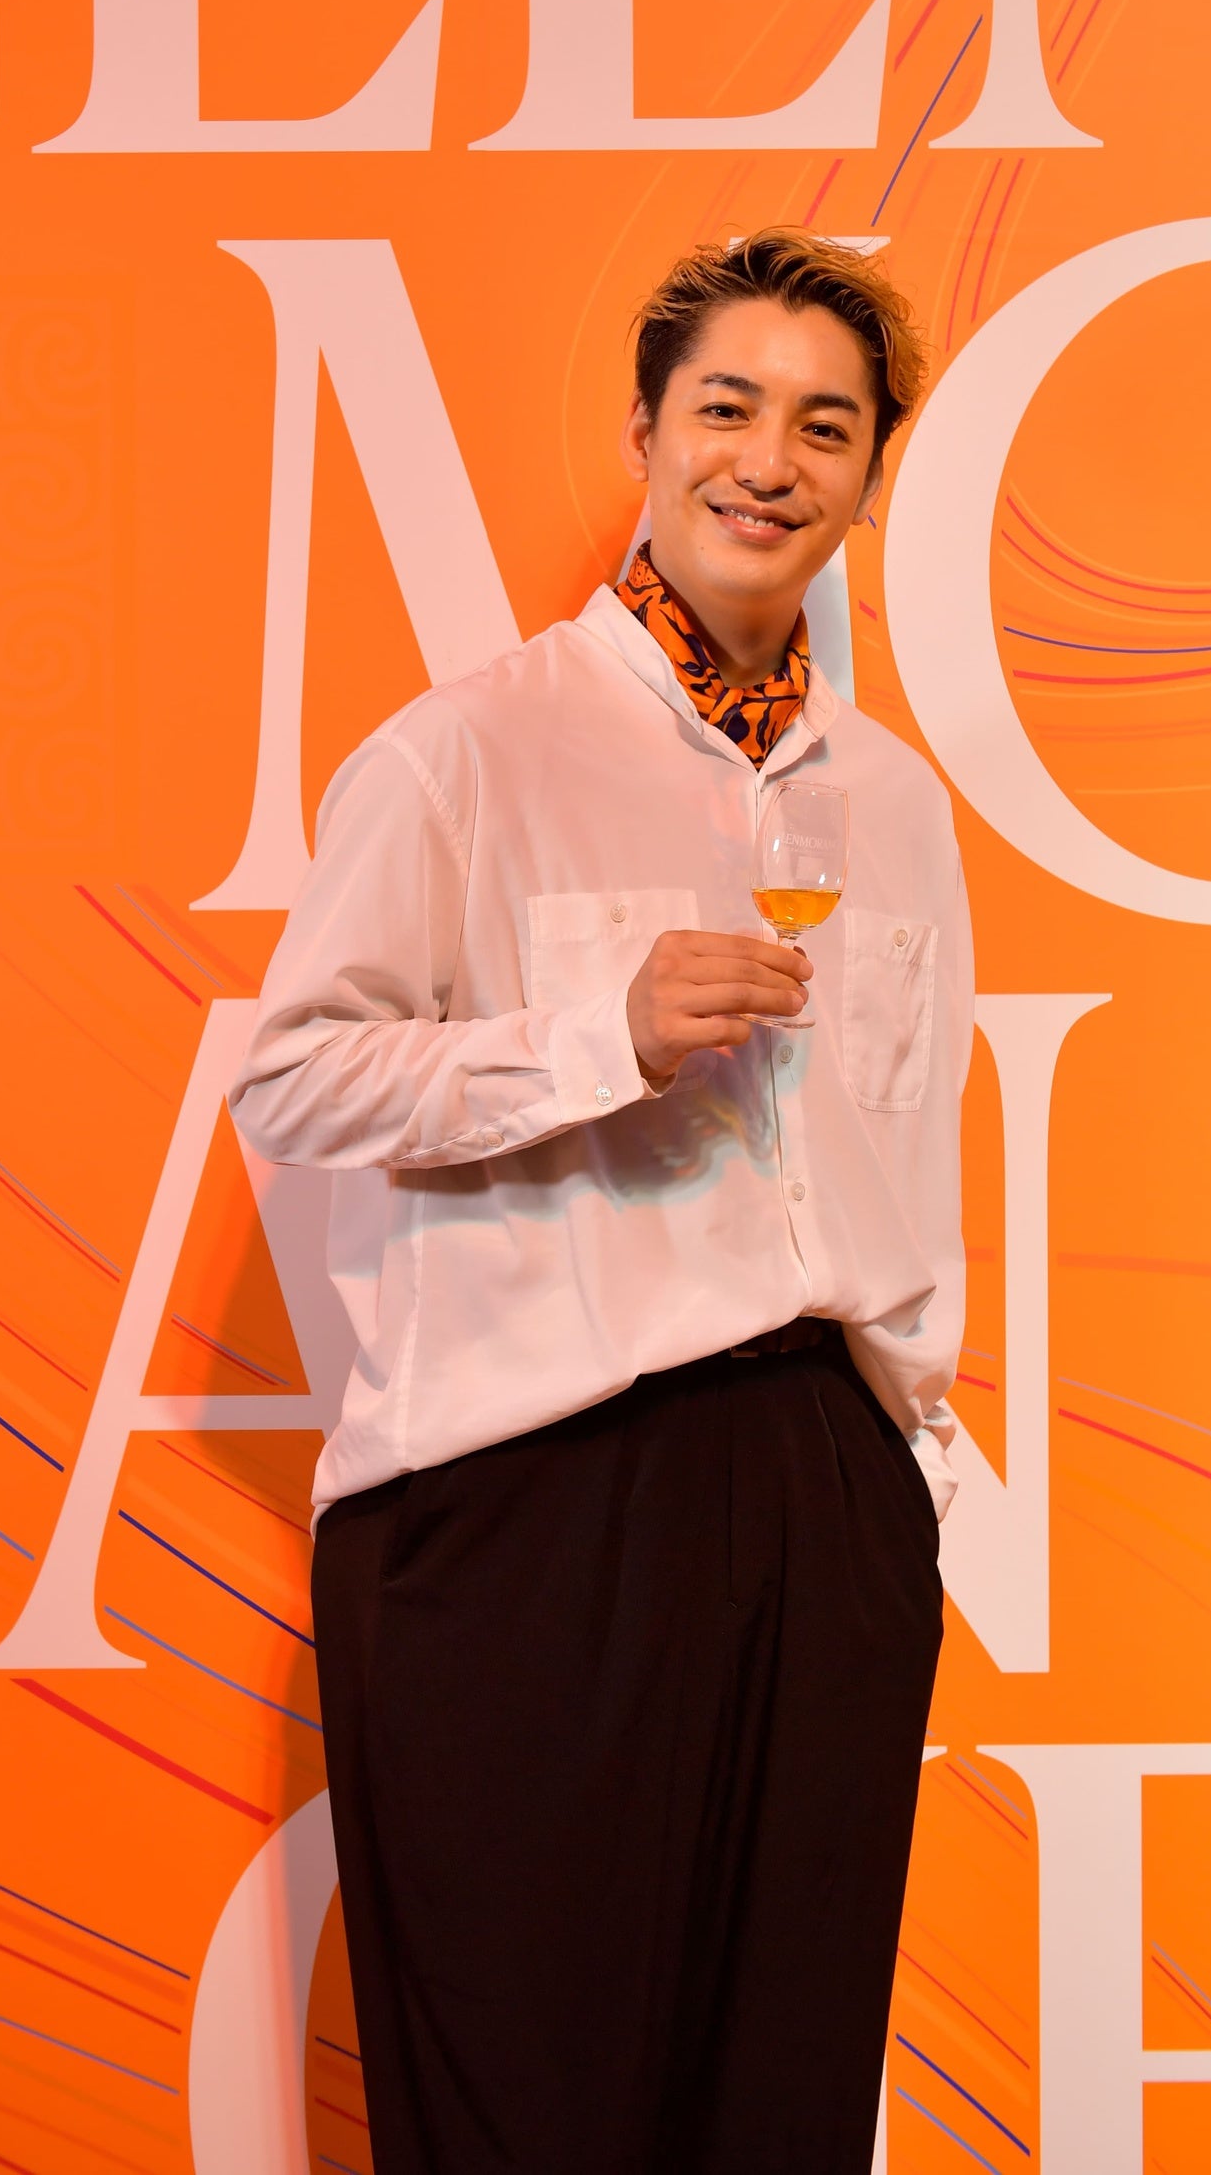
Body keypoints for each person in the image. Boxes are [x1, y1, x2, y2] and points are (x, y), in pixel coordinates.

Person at [230, 230, 972, 2175]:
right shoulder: (471, 751)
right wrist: (593, 1038)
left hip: (822, 1493)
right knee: (529, 2117)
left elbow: (908, 1152)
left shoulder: (896, 805)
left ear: (870, 471)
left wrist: (904, 1466)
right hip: (526, 1500)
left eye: (826, 425)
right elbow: (292, 1078)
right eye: (727, 407)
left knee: (780, 2112)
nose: (770, 461)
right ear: (646, 433)